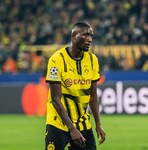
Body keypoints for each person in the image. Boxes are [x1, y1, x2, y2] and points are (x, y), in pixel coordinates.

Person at [45, 21, 105, 150]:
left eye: (91, 36)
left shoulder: (92, 60)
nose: (89, 39)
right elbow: (55, 99)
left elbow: (93, 96)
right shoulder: (57, 60)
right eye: (85, 35)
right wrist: (71, 129)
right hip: (58, 124)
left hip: (83, 124)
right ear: (74, 35)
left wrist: (98, 124)